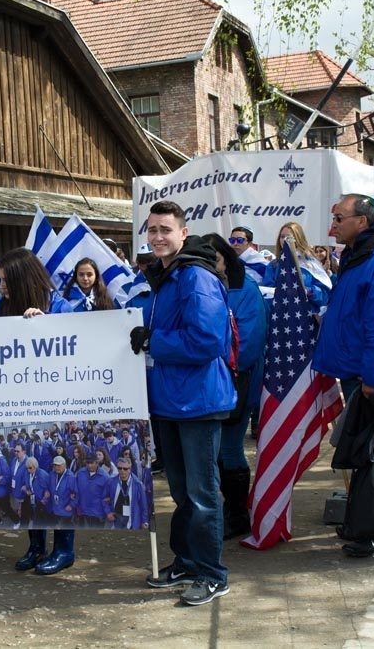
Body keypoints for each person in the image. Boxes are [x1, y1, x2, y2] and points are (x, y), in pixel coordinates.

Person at [132, 200, 236, 606]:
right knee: (181, 493)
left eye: (165, 230)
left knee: (202, 494)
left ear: (183, 234)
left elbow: (207, 340)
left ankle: (213, 574)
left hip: (198, 401)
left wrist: (153, 341)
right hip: (169, 401)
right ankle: (188, 561)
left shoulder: (195, 276)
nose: (158, 236)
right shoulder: (163, 277)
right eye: (152, 230)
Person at [312, 194, 374, 557]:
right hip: (357, 373)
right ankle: (368, 525)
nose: (331, 226)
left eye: (338, 218)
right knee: (364, 456)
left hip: (373, 379)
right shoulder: (359, 257)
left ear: (362, 222)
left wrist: (373, 378)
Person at [0, 247, 77, 575]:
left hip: (56, 410)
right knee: (31, 483)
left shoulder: (60, 307)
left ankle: (64, 548)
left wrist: (48, 326)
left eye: (6, 279)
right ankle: (36, 545)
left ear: (23, 278)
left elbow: (80, 343)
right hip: (19, 406)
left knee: (58, 480)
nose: (0, 283)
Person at [201, 233, 268, 540]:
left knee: (229, 448)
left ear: (226, 258)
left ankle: (238, 512)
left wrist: (218, 364)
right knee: (211, 451)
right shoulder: (200, 286)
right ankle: (223, 508)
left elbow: (250, 344)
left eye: (214, 259)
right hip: (205, 383)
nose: (210, 266)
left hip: (235, 381)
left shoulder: (246, 290)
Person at [106, 457, 149, 530]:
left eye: (125, 468)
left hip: (132, 517)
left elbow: (143, 505)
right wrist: (108, 512)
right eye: (119, 468)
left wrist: (144, 521)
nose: (122, 471)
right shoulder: (111, 482)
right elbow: (104, 499)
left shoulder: (138, 485)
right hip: (116, 518)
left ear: (130, 469)